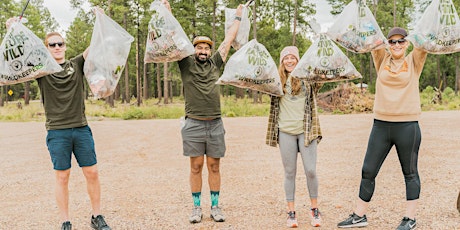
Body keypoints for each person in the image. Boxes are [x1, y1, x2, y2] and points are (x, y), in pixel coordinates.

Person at [5, 9, 112, 230]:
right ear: (46, 48)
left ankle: (97, 216)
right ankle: (65, 220)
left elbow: (97, 46)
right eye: (52, 44)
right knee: (62, 177)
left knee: (91, 172)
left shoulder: (76, 64)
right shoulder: (41, 70)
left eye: (60, 43)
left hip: (81, 128)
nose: (57, 47)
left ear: (64, 45)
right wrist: (11, 28)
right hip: (57, 131)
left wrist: (100, 18)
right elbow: (18, 55)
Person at [337, 27, 428, 230]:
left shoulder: (414, 60)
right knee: (368, 170)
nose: (396, 45)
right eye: (392, 42)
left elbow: (424, 42)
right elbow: (371, 37)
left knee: (410, 172)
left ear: (407, 43)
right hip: (381, 124)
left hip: (407, 125)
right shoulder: (381, 59)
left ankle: (410, 218)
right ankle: (359, 216)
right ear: (387, 44)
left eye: (401, 41)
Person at [162, 0, 243, 224]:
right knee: (196, 166)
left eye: (206, 48)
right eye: (199, 47)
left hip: (215, 124)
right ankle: (196, 208)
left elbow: (228, 40)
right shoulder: (186, 63)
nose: (203, 51)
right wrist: (168, 12)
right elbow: (175, 36)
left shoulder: (216, 62)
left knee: (214, 166)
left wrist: (238, 16)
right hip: (194, 124)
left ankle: (215, 206)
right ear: (194, 50)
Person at [266, 46, 323, 228]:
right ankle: (291, 211)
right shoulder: (276, 81)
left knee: (311, 170)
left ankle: (314, 209)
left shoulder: (308, 79)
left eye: (293, 58)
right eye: (286, 58)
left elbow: (323, 74)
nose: (289, 61)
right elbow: (258, 83)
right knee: (289, 172)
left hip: (306, 131)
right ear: (282, 61)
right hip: (285, 132)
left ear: (299, 61)